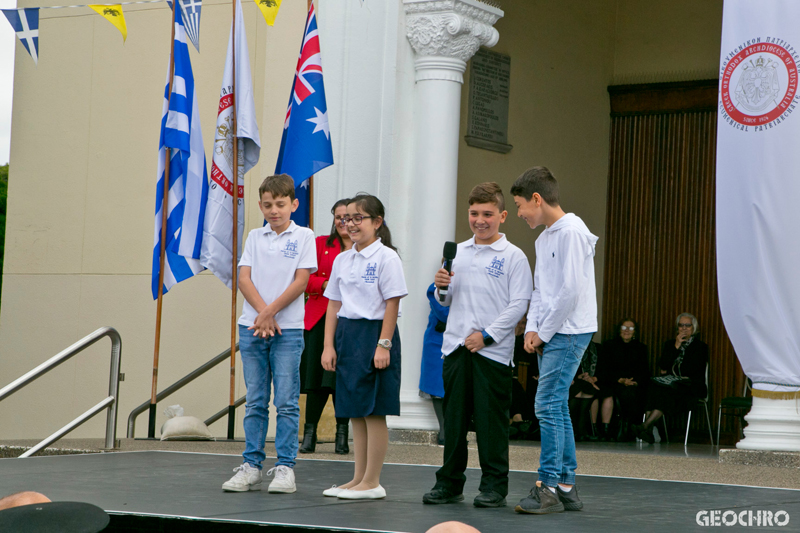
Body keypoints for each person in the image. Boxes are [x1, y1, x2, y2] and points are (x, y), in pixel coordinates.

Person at [423, 182, 533, 509]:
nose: (480, 220)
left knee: (490, 424)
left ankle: (494, 486)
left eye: (487, 214)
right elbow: (446, 301)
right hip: (456, 348)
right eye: (474, 213)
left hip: (492, 353)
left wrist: (485, 335)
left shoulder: (514, 257)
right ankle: (449, 484)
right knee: (454, 423)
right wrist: (441, 286)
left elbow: (519, 304)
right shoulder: (456, 253)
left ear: (502, 216)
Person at [222, 174, 317, 494]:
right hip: (252, 328)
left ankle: (286, 467)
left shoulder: (304, 236)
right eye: (267, 205)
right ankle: (251, 465)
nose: (273, 211)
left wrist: (269, 313)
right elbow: (244, 278)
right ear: (260, 206)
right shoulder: (254, 237)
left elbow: (301, 281)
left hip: (287, 330)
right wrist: (262, 314)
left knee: (287, 401)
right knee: (256, 401)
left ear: (293, 204)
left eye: (280, 204)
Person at [511, 166, 598, 515]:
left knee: (545, 404)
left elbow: (570, 291)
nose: (518, 213)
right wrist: (532, 328)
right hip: (552, 329)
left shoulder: (572, 232)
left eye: (520, 205)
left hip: (571, 329)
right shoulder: (544, 237)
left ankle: (547, 485)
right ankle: (565, 485)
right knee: (556, 405)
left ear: (537, 198)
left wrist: (542, 331)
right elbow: (541, 291)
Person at [320, 194, 408, 500]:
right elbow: (333, 304)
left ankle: (373, 481)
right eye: (347, 218)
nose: (351, 224)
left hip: (375, 334)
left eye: (359, 218)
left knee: (374, 410)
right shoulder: (343, 259)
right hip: (348, 335)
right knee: (355, 409)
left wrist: (383, 345)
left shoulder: (387, 258)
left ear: (377, 222)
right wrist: (328, 345)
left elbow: (392, 303)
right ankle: (358, 477)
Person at [299, 199, 353, 455]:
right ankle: (310, 434)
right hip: (320, 318)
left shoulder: (365, 246)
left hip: (352, 321)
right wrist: (325, 285)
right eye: (338, 216)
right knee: (316, 379)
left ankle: (342, 435)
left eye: (347, 216)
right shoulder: (321, 243)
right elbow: (303, 278)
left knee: (342, 380)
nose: (342, 221)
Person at [634, 313, 708, 444]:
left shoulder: (700, 347)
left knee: (664, 392)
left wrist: (671, 370)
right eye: (681, 325)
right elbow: (663, 365)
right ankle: (648, 429)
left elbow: (692, 369)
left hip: (690, 386)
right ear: (677, 328)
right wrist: (676, 346)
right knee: (652, 386)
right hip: (670, 384)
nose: (684, 328)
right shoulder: (670, 344)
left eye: (687, 325)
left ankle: (646, 426)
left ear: (694, 328)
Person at [596, 319, 649, 441]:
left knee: (639, 393)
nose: (627, 331)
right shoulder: (609, 345)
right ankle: (614, 431)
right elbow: (604, 369)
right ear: (619, 329)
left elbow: (645, 371)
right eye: (624, 327)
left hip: (633, 383)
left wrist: (635, 382)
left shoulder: (641, 348)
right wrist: (620, 380)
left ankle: (631, 429)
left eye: (630, 328)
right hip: (613, 381)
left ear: (635, 332)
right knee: (620, 393)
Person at [419, 281, 450, 446]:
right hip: (437, 341)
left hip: (461, 341)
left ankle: (451, 429)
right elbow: (444, 314)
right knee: (437, 386)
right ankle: (444, 429)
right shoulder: (435, 288)